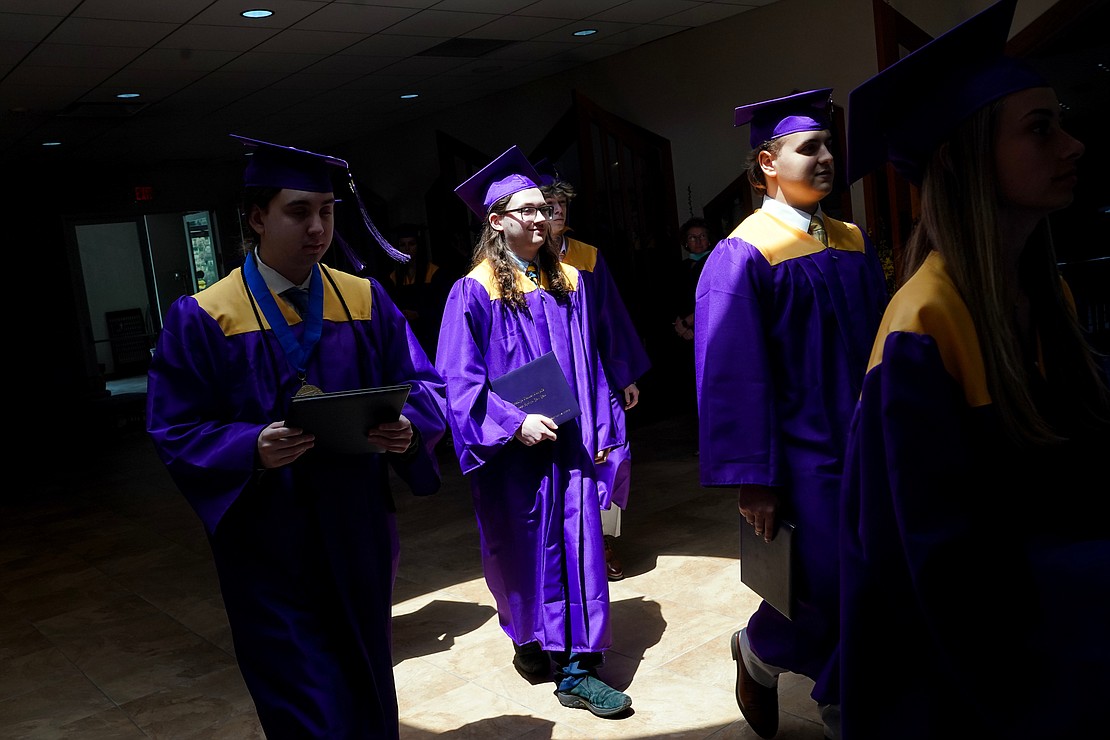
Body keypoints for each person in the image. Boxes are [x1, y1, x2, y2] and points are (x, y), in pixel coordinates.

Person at [838, 1, 1110, 737]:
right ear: (963, 155)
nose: (1074, 144)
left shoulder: (1041, 291)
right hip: (974, 687)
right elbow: (939, 578)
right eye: (1040, 128)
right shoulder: (923, 328)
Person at [146, 135, 448, 739]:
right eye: (299, 211)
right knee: (302, 695)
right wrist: (249, 447)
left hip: (356, 523)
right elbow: (175, 427)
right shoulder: (206, 315)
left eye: (328, 211)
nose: (318, 227)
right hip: (267, 538)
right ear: (258, 216)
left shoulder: (364, 299)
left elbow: (424, 386)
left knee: (366, 676)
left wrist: (408, 429)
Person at [694, 89, 889, 739]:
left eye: (829, 144)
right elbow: (732, 376)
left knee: (870, 581)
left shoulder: (852, 240)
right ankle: (845, 705)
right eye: (811, 148)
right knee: (835, 587)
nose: (827, 156)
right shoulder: (744, 253)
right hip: (804, 458)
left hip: (867, 442)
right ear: (768, 164)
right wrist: (755, 477)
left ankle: (761, 648)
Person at [436, 146, 632, 718]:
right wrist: (513, 421)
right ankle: (529, 638)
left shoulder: (571, 280)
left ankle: (578, 669)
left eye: (544, 209)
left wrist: (603, 424)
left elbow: (589, 363)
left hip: (569, 446)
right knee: (519, 552)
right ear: (496, 221)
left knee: (578, 548)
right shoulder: (472, 292)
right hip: (513, 457)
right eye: (527, 211)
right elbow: (458, 380)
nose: (542, 219)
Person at [534, 158, 652, 582]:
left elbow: (611, 320)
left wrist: (625, 375)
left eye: (563, 202)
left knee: (612, 456)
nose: (558, 210)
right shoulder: (519, 268)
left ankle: (603, 543)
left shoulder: (587, 257)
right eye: (549, 203)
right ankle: (565, 547)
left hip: (595, 376)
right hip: (551, 382)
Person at [672, 216, 713, 449]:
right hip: (686, 337)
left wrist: (689, 322)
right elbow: (673, 299)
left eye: (702, 236)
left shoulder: (715, 262)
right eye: (692, 237)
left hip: (709, 332)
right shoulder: (681, 268)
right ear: (685, 243)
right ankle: (700, 441)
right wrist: (678, 325)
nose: (698, 241)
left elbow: (713, 297)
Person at [383, 222, 451, 362]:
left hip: (430, 336)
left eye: (411, 244)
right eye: (402, 245)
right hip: (407, 336)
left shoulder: (434, 273)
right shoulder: (393, 278)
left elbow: (442, 309)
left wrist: (419, 314)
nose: (407, 249)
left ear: (419, 246)